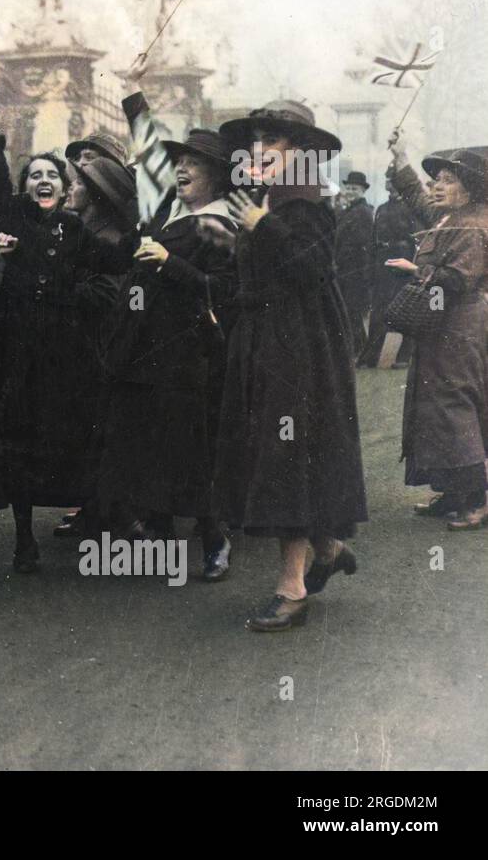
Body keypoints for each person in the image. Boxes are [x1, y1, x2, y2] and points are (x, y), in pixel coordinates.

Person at [0, 63, 135, 571]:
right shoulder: (10, 221)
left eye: (51, 177)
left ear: (63, 191)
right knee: (15, 441)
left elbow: (115, 258)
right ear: (25, 187)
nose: (43, 180)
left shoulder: (74, 230)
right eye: (34, 175)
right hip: (16, 353)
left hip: (64, 355)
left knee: (66, 436)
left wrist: (143, 222)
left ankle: (88, 513)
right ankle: (23, 537)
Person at [215, 100, 367, 630]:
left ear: (300, 154)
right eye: (256, 143)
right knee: (283, 454)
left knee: (287, 456)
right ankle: (327, 549)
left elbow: (311, 271)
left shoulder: (305, 204)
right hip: (269, 343)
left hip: (297, 348)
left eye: (272, 143)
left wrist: (261, 227)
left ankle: (292, 587)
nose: (259, 152)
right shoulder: (270, 202)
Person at [96, 127, 238, 579]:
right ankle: (159, 535)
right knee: (147, 446)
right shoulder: (169, 211)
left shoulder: (221, 225)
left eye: (193, 163)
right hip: (141, 349)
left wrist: (170, 263)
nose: (182, 169)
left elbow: (226, 290)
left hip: (187, 354)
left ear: (217, 176)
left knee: (190, 451)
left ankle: (215, 539)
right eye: (179, 162)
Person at [385, 136, 488, 530]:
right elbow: (417, 200)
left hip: (462, 325)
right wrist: (400, 160)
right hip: (441, 324)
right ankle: (452, 492)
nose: (437, 186)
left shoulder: (476, 223)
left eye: (448, 179)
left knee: (454, 404)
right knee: (436, 405)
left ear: (470, 187)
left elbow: (459, 279)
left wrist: (417, 272)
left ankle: (477, 498)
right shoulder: (451, 218)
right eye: (437, 179)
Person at [358, 167, 420, 368]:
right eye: (388, 180)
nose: (390, 184)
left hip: (404, 266)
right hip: (382, 266)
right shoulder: (382, 209)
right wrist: (370, 269)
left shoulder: (412, 208)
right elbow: (373, 239)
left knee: (406, 310)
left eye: (394, 180)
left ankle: (404, 357)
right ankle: (370, 357)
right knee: (378, 313)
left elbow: (418, 238)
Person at [334, 170, 374, 358]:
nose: (350, 191)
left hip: (355, 270)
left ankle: (357, 349)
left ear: (363, 191)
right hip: (344, 268)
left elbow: (362, 245)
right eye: (348, 187)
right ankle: (356, 348)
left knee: (353, 311)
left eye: (354, 188)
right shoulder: (348, 211)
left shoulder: (362, 212)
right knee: (348, 310)